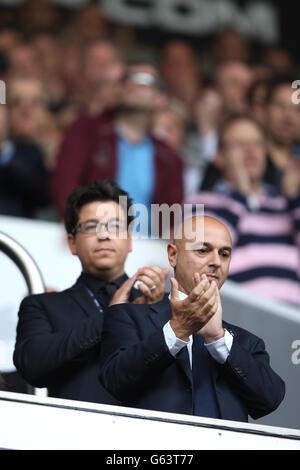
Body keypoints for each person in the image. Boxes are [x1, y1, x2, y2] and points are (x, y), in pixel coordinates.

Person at [99, 215, 285, 422]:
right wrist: (178, 329)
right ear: (173, 255)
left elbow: (270, 400)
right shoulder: (128, 317)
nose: (216, 262)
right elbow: (114, 381)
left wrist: (218, 339)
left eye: (224, 254)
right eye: (203, 250)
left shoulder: (245, 343)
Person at [13, 180, 169, 404]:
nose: (104, 235)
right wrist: (111, 316)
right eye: (91, 227)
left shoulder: (161, 303)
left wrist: (155, 312)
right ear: (72, 243)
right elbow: (31, 365)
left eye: (115, 226)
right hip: (75, 433)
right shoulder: (42, 306)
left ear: (129, 240)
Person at [185, 116, 300, 306]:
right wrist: (240, 194)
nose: (250, 150)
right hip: (241, 319)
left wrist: (296, 199)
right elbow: (203, 254)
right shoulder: (201, 201)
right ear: (219, 157)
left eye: (257, 144)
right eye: (239, 144)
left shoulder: (284, 204)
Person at [50, 62, 183, 222]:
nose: (132, 84)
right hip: (93, 239)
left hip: (148, 245)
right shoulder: (85, 131)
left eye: (144, 80)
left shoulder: (168, 157)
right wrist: (75, 223)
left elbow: (171, 218)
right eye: (126, 79)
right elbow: (65, 182)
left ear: (160, 99)